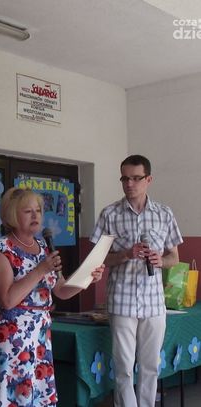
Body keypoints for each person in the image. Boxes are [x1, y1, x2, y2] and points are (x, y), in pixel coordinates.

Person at [0, 187, 104, 406]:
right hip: (13, 336)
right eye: (28, 211)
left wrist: (87, 279)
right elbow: (7, 300)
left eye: (38, 210)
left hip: (40, 334)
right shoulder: (1, 250)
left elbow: (61, 290)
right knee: (14, 396)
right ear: (12, 215)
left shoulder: (44, 246)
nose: (35, 215)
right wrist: (40, 270)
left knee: (37, 395)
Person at [90, 154, 182, 407]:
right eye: (124, 178)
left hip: (154, 303)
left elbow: (174, 257)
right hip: (122, 301)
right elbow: (98, 259)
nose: (129, 183)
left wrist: (160, 260)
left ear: (148, 179)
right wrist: (125, 254)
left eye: (135, 178)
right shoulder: (109, 214)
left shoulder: (164, 214)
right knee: (124, 368)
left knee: (151, 366)